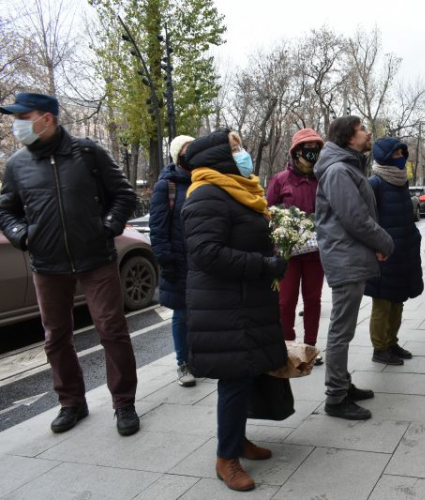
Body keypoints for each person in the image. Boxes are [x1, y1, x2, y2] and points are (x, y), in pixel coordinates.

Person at [0, 93, 140, 436]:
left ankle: (124, 403)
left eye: (23, 116)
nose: (16, 124)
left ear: (47, 118)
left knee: (112, 330)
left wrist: (106, 228)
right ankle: (71, 402)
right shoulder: (17, 165)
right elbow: (6, 210)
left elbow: (124, 195)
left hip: (96, 259)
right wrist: (23, 235)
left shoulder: (88, 153)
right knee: (56, 337)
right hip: (47, 264)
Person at [181, 129, 288, 491]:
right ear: (217, 157)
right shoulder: (207, 194)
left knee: (246, 373)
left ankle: (238, 440)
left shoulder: (237, 190)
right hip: (224, 303)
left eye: (241, 145)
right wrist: (263, 264)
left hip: (244, 298)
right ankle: (226, 459)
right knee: (234, 378)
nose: (243, 153)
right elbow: (206, 253)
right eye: (235, 148)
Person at [315, 116, 394, 420]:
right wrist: (385, 242)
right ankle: (335, 397)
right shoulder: (338, 170)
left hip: (349, 254)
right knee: (341, 330)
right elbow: (355, 218)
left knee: (343, 329)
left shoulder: (346, 166)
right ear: (349, 137)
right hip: (344, 257)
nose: (367, 133)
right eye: (362, 129)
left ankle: (342, 383)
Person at [266, 128, 325, 365]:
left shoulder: (323, 179)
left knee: (313, 300)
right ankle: (287, 346)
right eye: (308, 149)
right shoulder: (281, 180)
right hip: (288, 254)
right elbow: (267, 213)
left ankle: (310, 347)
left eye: (316, 149)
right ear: (296, 152)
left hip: (315, 254)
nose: (313, 153)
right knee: (286, 301)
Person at [365, 138, 424, 365]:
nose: (401, 157)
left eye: (402, 153)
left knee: (398, 300)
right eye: (397, 153)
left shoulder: (401, 181)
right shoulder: (375, 183)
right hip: (383, 254)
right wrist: (378, 246)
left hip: (404, 251)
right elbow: (369, 220)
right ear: (386, 155)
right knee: (382, 302)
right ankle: (379, 349)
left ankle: (391, 342)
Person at [149, 135, 195, 387]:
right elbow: (157, 228)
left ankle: (197, 357)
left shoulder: (203, 180)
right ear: (177, 154)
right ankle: (183, 363)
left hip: (201, 260)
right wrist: (166, 261)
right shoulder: (165, 186)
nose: (192, 154)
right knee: (181, 313)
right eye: (187, 150)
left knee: (200, 312)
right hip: (177, 261)